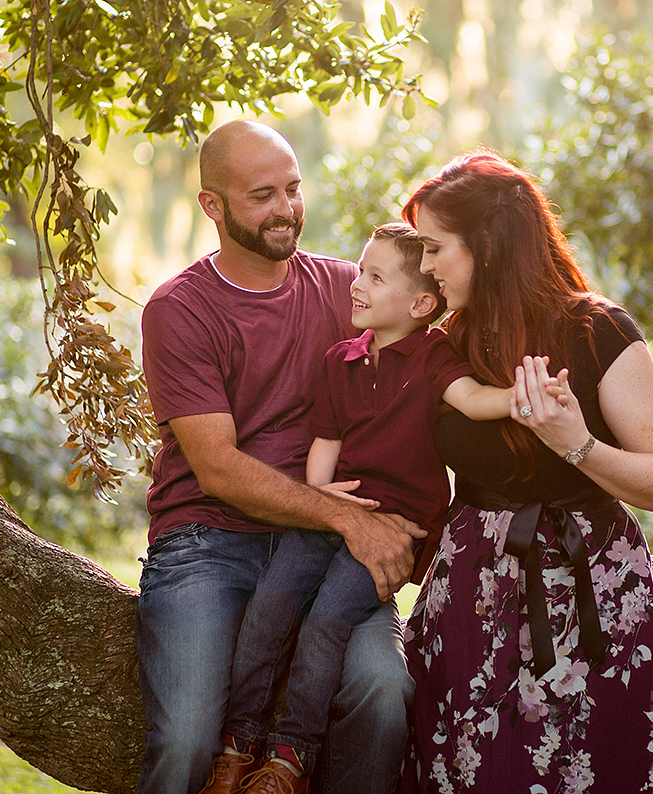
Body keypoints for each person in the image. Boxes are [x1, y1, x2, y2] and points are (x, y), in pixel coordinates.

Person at [134, 120, 423, 794]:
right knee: (184, 740)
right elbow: (219, 468)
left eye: (292, 189)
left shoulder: (345, 290)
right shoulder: (179, 310)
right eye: (262, 195)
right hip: (208, 544)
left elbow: (434, 320)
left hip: (325, 552)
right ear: (214, 206)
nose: (287, 209)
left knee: (384, 696)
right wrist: (345, 517)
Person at [398, 150, 653, 794]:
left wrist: (577, 443)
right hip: (471, 595)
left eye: (434, 248)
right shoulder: (443, 345)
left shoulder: (598, 332)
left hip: (594, 592)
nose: (424, 266)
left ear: (489, 244)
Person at [204, 223, 513, 794]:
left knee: (326, 623)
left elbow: (471, 399)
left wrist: (520, 398)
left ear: (421, 303)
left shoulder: (432, 357)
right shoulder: (340, 360)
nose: (356, 283)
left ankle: (290, 757)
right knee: (271, 604)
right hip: (327, 516)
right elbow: (327, 441)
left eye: (375, 276)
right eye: (359, 270)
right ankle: (236, 745)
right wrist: (319, 499)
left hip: (389, 529)